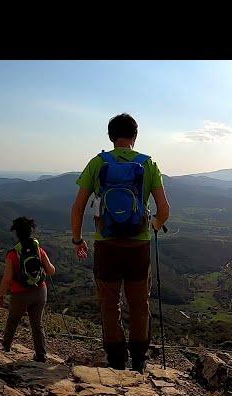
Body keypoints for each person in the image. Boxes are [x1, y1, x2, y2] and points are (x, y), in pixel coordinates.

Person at [71, 113, 170, 372]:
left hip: (107, 245)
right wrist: (155, 226)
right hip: (139, 246)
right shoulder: (148, 164)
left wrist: (77, 239)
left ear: (111, 136)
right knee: (139, 303)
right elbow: (164, 209)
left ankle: (116, 358)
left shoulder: (97, 163)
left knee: (109, 302)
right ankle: (139, 358)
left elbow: (78, 207)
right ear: (135, 137)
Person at [0, 217, 56, 362]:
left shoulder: (13, 254)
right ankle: (41, 355)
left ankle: (5, 347)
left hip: (20, 294)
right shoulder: (38, 249)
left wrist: (1, 296)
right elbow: (51, 271)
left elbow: (7, 279)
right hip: (40, 291)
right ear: (31, 231)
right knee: (37, 323)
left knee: (13, 320)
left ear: (16, 233)